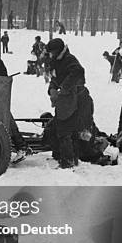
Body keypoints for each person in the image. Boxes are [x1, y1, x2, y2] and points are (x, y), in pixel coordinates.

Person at [45, 38, 95, 168]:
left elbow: (78, 72)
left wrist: (64, 87)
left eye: (52, 52)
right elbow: (55, 78)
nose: (50, 55)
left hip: (77, 99)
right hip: (66, 100)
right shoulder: (56, 61)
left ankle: (68, 162)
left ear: (58, 51)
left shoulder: (69, 60)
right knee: (62, 129)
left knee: (66, 130)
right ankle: (67, 158)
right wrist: (52, 89)